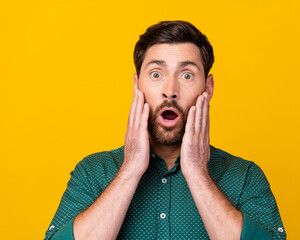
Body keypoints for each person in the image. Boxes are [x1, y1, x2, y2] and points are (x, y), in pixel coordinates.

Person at [44, 20, 286, 240]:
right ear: (137, 85)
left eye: (187, 75)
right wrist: (129, 170)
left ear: (208, 88)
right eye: (156, 74)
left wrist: (197, 172)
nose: (170, 90)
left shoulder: (245, 177)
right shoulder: (93, 172)